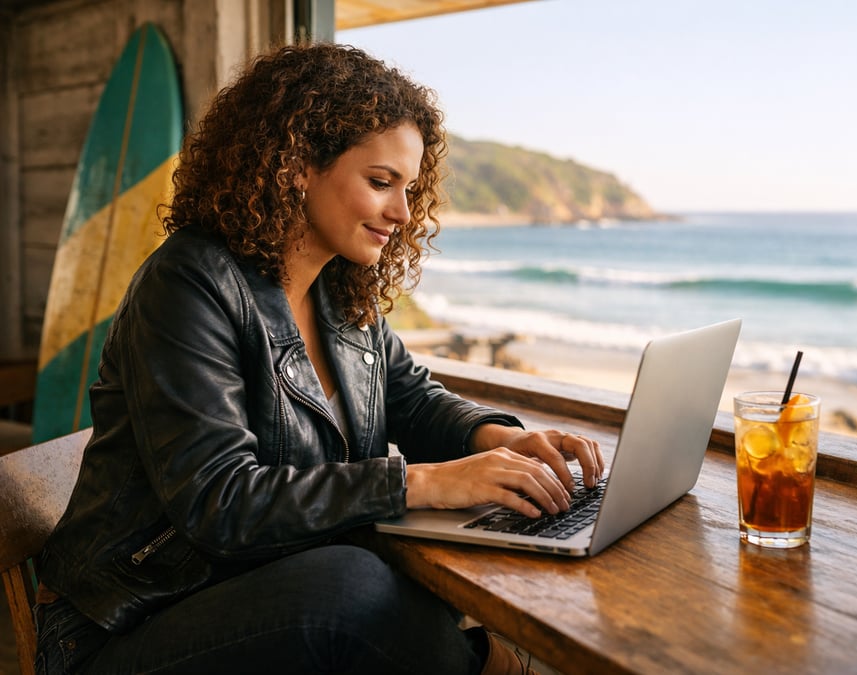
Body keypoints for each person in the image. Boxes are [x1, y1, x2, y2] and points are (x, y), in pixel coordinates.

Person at [33, 42, 603, 675]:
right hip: (127, 623)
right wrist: (429, 482)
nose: (403, 213)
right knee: (352, 588)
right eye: (381, 182)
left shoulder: (340, 290)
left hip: (254, 589)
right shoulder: (189, 285)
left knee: (388, 577)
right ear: (297, 165)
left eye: (409, 188)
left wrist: (495, 438)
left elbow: (407, 396)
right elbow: (220, 501)